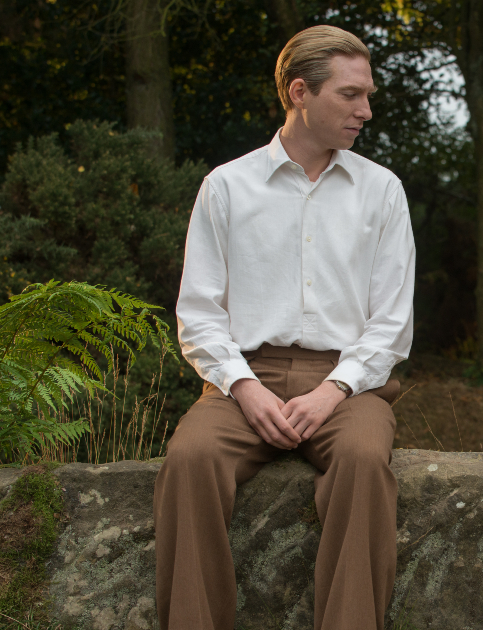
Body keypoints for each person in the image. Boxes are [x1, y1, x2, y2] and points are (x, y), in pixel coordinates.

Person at [153, 25, 415, 630]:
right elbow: (197, 311)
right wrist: (243, 387)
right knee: (189, 460)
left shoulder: (381, 191)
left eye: (367, 95)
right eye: (350, 95)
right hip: (244, 375)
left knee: (363, 462)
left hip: (349, 383)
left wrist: (334, 390)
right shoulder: (227, 186)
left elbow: (392, 324)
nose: (365, 111)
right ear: (300, 91)